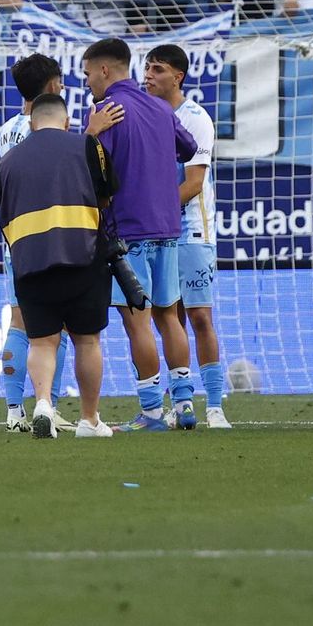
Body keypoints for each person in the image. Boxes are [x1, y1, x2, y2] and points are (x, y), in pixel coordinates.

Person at [80, 36, 198, 432]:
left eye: (87, 74)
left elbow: (88, 171)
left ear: (104, 70)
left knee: (138, 322)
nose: (87, 83)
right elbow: (188, 146)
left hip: (127, 232)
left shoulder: (105, 111)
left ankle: (150, 412)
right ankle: (184, 405)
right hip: (167, 227)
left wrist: (92, 135)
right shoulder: (161, 107)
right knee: (170, 317)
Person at [0, 93, 117, 440]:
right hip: (82, 255)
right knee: (87, 342)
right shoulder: (88, 147)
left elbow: (3, 216)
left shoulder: (8, 161)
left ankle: (43, 403)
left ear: (31, 124)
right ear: (66, 122)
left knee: (42, 342)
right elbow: (107, 198)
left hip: (30, 260)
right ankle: (89, 420)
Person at [141, 43, 228, 430]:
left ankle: (215, 406)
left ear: (178, 76)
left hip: (191, 229)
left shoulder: (195, 118)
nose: (148, 76)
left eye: (157, 69)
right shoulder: (143, 114)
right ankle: (181, 403)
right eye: (146, 68)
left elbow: (193, 184)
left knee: (199, 317)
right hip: (159, 231)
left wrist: (150, 211)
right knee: (167, 317)